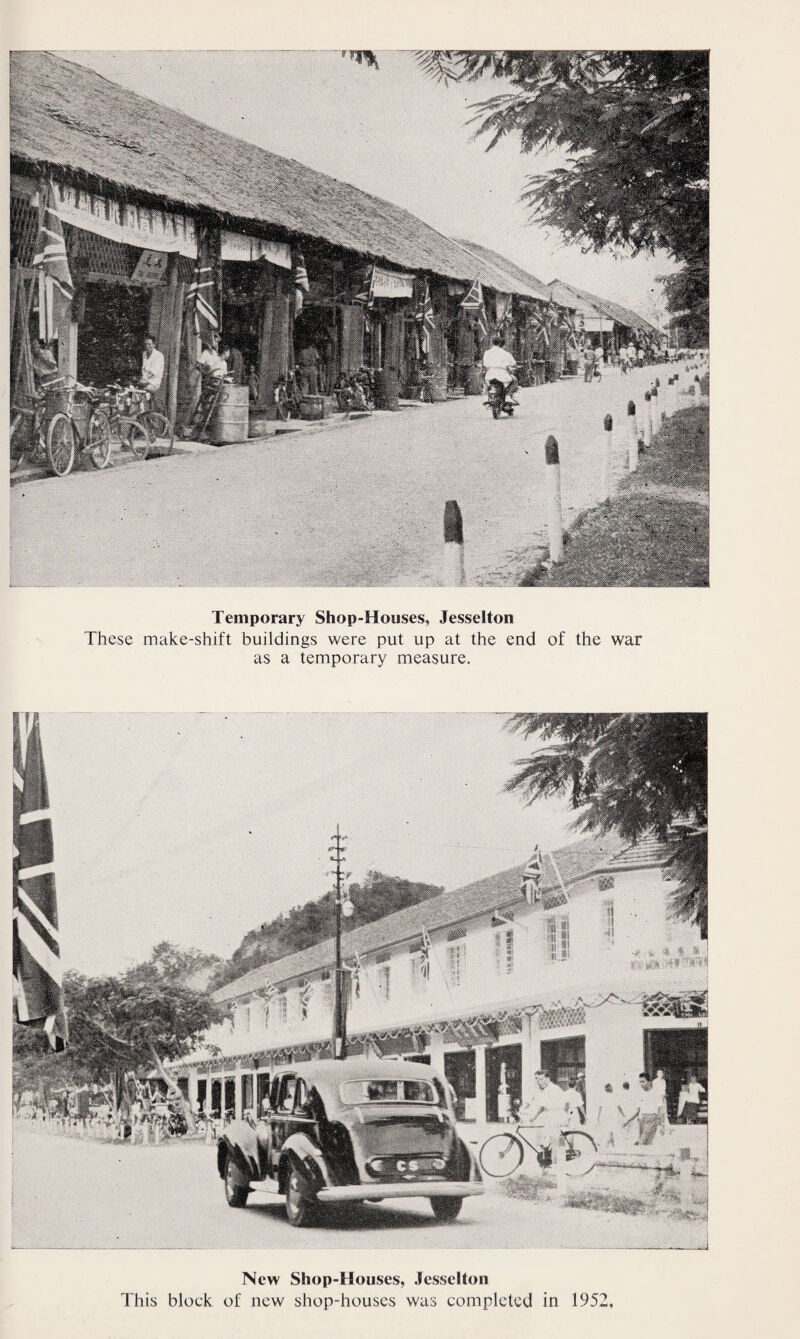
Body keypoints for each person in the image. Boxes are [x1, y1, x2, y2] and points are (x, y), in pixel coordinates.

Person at [520, 1070, 568, 1158]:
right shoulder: (537, 1089)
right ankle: (544, 1156)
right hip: (547, 1115)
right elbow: (529, 1100)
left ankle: (555, 1162)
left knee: (554, 1140)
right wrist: (522, 1108)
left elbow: (543, 1106)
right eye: (536, 1079)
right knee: (539, 1135)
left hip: (556, 1115)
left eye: (541, 1079)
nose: (538, 1081)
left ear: (548, 1079)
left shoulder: (553, 1088)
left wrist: (534, 1117)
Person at [482, 332, 519, 403]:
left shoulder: (487, 352)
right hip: (502, 374)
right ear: (500, 343)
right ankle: (508, 396)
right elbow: (513, 363)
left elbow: (485, 364)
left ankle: (486, 395)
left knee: (485, 381)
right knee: (514, 381)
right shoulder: (505, 353)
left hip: (490, 374)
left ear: (492, 343)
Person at [628, 1073, 662, 1145]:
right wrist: (627, 1121)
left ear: (649, 1082)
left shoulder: (656, 1092)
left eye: (643, 1081)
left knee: (642, 1143)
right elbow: (637, 1111)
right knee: (646, 1143)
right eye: (640, 1082)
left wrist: (661, 1124)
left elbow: (660, 1109)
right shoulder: (640, 1093)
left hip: (651, 1118)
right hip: (641, 1119)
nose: (641, 1084)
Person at [595, 1084, 623, 1149]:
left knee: (608, 1131)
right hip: (612, 1116)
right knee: (611, 1132)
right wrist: (623, 1114)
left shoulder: (603, 1097)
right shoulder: (614, 1096)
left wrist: (598, 1118)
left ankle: (610, 1145)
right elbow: (619, 1107)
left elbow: (600, 1108)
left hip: (606, 1116)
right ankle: (609, 1145)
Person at [140, 334, 165, 400]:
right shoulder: (144, 354)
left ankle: (141, 408)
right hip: (144, 381)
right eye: (145, 344)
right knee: (130, 389)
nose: (147, 346)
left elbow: (153, 372)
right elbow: (144, 369)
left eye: (149, 344)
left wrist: (143, 379)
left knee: (138, 392)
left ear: (154, 345)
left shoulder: (158, 356)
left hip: (153, 382)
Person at [652, 1068, 668, 1135]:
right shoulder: (654, 1081)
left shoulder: (663, 1081)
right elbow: (654, 1090)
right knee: (657, 1111)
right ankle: (656, 1126)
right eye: (659, 1073)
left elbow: (664, 1089)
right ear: (657, 1074)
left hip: (662, 1097)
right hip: (657, 1098)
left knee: (663, 1112)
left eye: (661, 1073)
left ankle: (663, 1125)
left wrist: (664, 1096)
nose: (660, 1074)